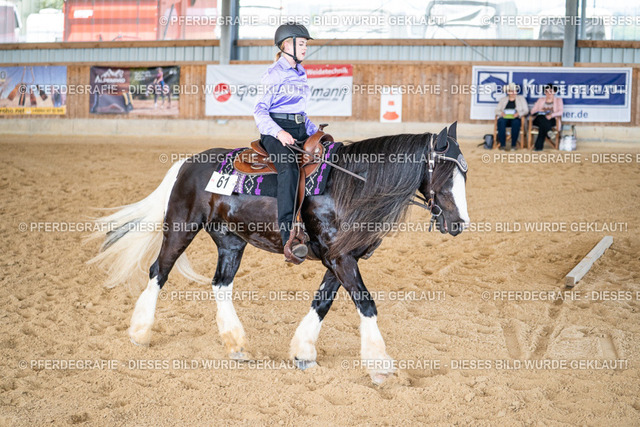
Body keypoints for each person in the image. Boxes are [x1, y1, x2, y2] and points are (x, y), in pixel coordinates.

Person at [253, 23, 318, 263]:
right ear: (287, 45)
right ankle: (288, 236)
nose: (305, 48)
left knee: (327, 158)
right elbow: (259, 111)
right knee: (289, 169)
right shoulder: (274, 73)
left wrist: (316, 132)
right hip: (275, 132)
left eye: (305, 44)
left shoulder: (301, 72)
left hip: (299, 129)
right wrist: (279, 133)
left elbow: (300, 112)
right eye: (301, 44)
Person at [495, 82, 528, 150]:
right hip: (505, 118)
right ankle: (502, 145)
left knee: (516, 122)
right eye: (511, 91)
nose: (513, 92)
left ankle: (513, 145)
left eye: (514, 91)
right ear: (508, 92)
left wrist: (518, 114)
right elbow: (496, 110)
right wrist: (501, 113)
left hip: (516, 118)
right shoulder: (503, 99)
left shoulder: (521, 98)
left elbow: (526, 110)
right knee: (501, 121)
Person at [530, 83, 563, 151]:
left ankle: (538, 147)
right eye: (546, 91)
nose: (549, 93)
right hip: (539, 119)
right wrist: (539, 110)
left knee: (543, 125)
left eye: (550, 91)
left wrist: (551, 115)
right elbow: (532, 111)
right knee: (542, 118)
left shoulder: (558, 100)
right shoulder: (541, 99)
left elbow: (560, 112)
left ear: (554, 92)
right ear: (545, 92)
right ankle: (549, 131)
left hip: (551, 120)